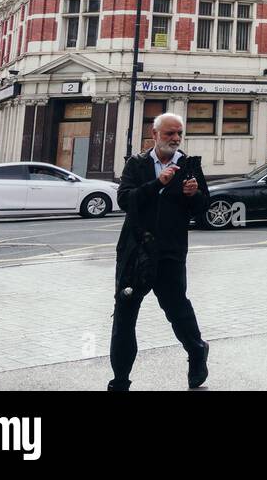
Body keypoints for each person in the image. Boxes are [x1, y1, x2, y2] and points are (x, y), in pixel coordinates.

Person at [109, 113, 210, 391]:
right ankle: (120, 381)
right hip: (135, 252)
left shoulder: (189, 166)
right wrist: (158, 184)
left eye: (179, 133)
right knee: (124, 317)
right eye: (169, 134)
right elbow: (125, 201)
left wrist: (194, 195)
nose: (176, 139)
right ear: (154, 135)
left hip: (170, 252)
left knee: (177, 310)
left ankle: (197, 351)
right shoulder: (137, 164)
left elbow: (203, 207)